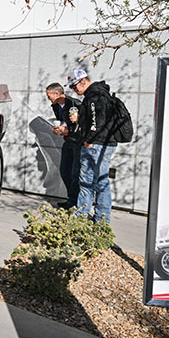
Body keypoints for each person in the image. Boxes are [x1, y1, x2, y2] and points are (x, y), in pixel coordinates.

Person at [67, 69, 117, 223]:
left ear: (83, 81)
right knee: (101, 182)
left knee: (87, 182)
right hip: (105, 143)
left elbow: (97, 122)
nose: (74, 91)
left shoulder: (94, 97)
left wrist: (89, 140)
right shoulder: (101, 94)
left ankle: (81, 218)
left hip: (96, 145)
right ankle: (101, 220)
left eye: (74, 87)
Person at [45, 82, 82, 209]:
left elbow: (80, 124)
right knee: (65, 171)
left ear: (57, 93)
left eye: (49, 95)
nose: (48, 98)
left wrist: (67, 130)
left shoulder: (74, 104)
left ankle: (76, 203)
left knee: (76, 173)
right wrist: (59, 128)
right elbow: (64, 121)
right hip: (68, 141)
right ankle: (71, 200)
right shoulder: (55, 106)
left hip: (78, 142)